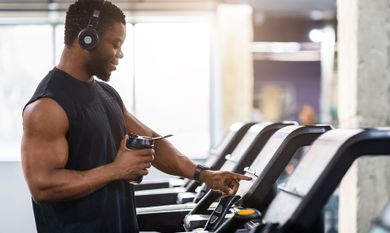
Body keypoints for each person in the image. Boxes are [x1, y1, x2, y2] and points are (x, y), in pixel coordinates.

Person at [20, 1, 251, 232]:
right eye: (115, 44)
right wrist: (116, 170)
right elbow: (43, 187)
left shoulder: (106, 94)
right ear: (87, 38)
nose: (120, 54)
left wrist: (204, 175)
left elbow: (151, 139)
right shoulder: (47, 106)